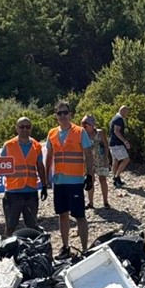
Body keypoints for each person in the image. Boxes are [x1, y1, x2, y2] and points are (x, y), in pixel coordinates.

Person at [44, 101, 94, 258]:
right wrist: (46, 179)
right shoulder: (52, 133)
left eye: (65, 112)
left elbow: (88, 155)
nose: (63, 116)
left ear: (70, 114)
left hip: (75, 181)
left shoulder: (79, 132)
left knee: (79, 216)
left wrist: (90, 175)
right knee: (62, 215)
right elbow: (49, 157)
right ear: (56, 115)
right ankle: (65, 247)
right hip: (59, 181)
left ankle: (85, 249)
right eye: (60, 113)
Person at [0, 116, 49, 236]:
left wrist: (44, 185)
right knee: (11, 226)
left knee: (32, 225)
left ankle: (31, 249)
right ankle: (7, 250)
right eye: (21, 127)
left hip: (31, 191)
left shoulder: (36, 146)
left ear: (31, 128)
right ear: (17, 128)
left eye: (27, 127)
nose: (24, 129)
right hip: (13, 192)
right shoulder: (9, 145)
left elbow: (40, 166)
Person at [80, 115, 111, 209]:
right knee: (90, 180)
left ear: (92, 124)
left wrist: (106, 158)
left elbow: (106, 145)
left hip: (101, 159)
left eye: (86, 123)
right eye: (83, 123)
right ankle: (91, 203)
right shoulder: (82, 134)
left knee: (103, 180)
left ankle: (105, 202)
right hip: (88, 161)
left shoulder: (100, 133)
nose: (84, 126)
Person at [109, 105, 131, 186]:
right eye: (126, 112)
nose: (127, 114)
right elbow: (116, 131)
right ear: (123, 111)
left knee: (115, 161)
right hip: (117, 143)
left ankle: (115, 180)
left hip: (112, 143)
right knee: (126, 159)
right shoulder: (119, 119)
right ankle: (116, 177)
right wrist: (125, 141)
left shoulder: (114, 118)